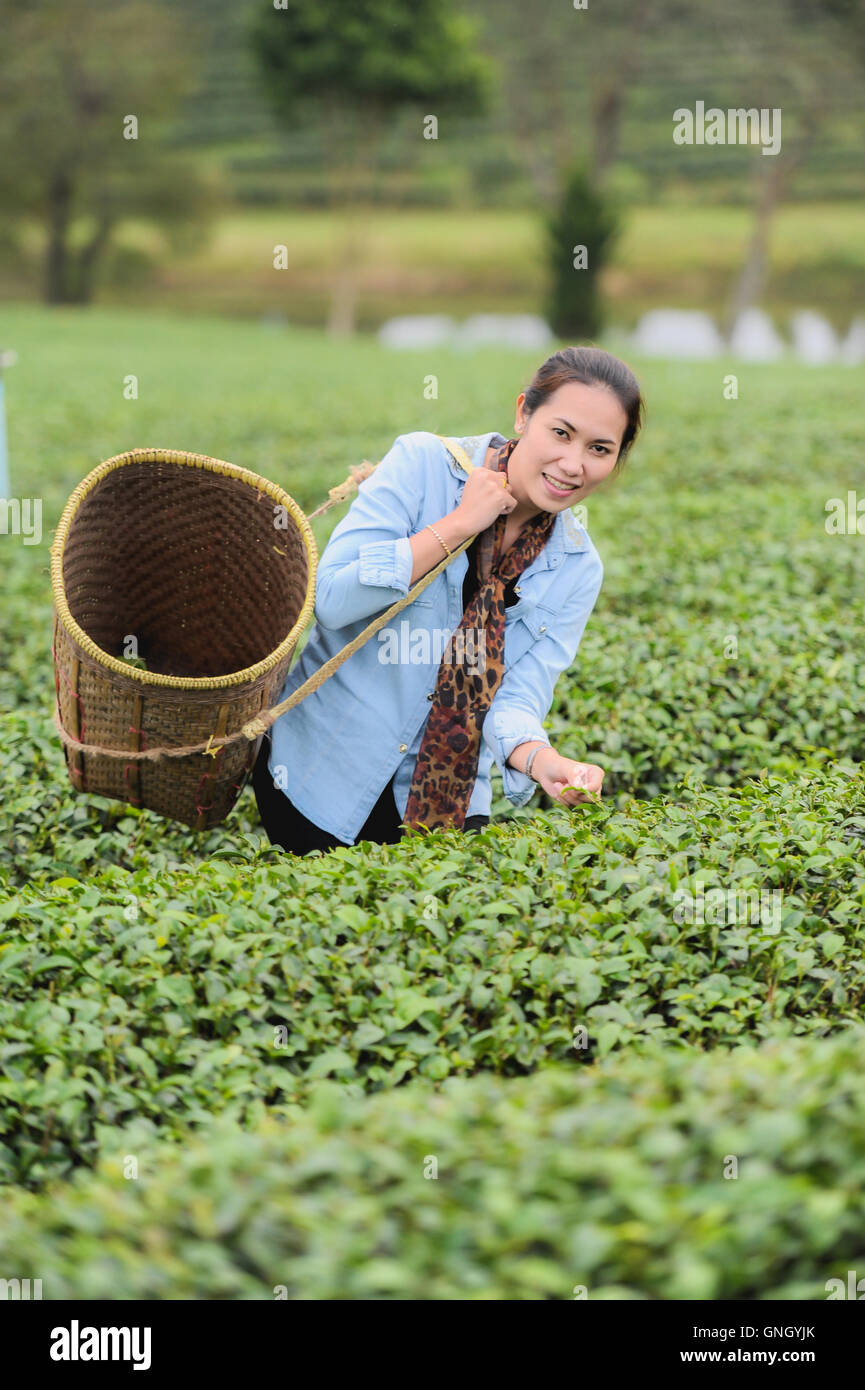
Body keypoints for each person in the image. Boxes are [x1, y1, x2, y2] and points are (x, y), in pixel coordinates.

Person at [253, 345, 644, 855]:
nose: (573, 464)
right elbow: (332, 598)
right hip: (322, 775)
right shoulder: (423, 465)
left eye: (600, 448)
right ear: (524, 412)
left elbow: (516, 694)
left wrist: (544, 761)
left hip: (450, 796)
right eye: (561, 433)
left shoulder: (575, 565)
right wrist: (459, 524)